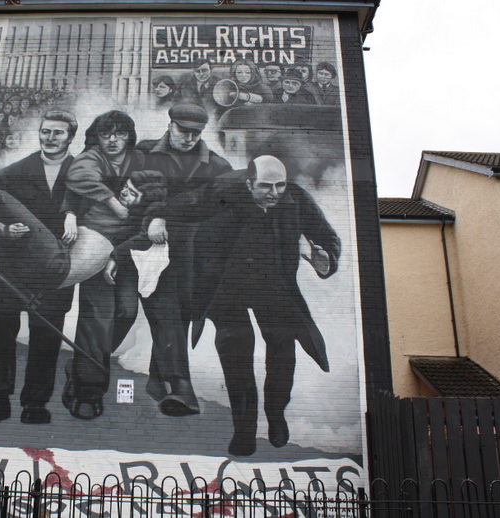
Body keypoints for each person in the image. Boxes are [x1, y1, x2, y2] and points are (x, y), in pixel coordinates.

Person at [178, 155, 339, 456]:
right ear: (248, 182)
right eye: (266, 186)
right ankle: (244, 430)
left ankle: (276, 414)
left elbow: (326, 236)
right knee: (236, 349)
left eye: (280, 185)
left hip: (274, 285)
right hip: (227, 285)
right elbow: (182, 210)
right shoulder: (220, 191)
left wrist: (325, 259)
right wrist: (155, 219)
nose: (275, 192)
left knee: (282, 350)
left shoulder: (296, 198)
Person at [0, 110, 79, 426]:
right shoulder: (11, 174)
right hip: (11, 266)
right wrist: (3, 231)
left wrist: (74, 214)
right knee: (0, 335)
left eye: (58, 133)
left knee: (46, 336)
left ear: (71, 137)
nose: (50, 138)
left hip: (54, 272)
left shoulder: (83, 176)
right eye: (46, 131)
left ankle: (35, 403)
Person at [135, 102, 232, 416]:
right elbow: (126, 198)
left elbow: (227, 211)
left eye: (196, 133)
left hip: (194, 258)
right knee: (165, 314)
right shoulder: (144, 155)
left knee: (178, 317)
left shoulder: (217, 166)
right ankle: (181, 389)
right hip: (151, 251)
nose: (189, 138)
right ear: (170, 124)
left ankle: (155, 378)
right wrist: (148, 220)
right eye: (183, 131)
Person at [59, 110, 147, 419]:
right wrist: (73, 212)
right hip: (95, 243)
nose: (112, 140)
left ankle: (84, 362)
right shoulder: (91, 157)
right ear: (97, 137)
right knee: (97, 316)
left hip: (127, 249)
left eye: (119, 134)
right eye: (106, 134)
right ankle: (88, 392)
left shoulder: (141, 159)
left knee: (126, 312)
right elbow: (77, 181)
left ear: (129, 136)